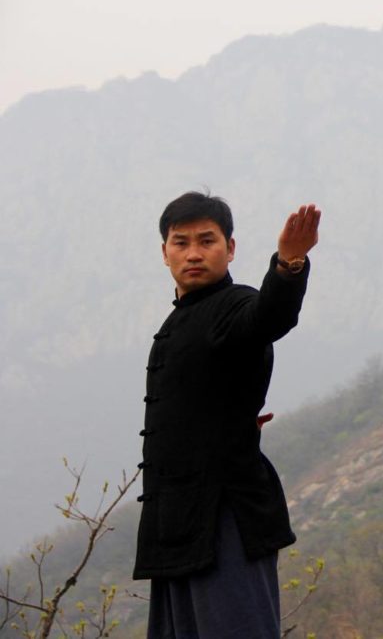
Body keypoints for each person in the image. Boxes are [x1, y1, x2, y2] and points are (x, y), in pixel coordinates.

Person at [133, 191, 321, 639]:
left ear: (230, 248)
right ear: (165, 253)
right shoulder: (179, 319)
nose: (193, 253)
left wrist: (289, 265)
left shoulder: (233, 304)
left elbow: (268, 316)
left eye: (207, 240)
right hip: (176, 525)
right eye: (181, 242)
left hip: (226, 516)